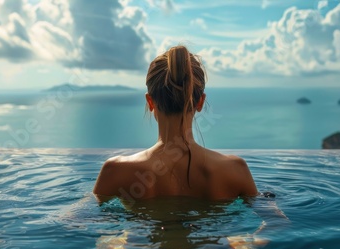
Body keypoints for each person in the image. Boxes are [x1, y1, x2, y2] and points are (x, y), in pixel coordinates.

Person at [93, 45, 258, 202]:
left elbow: (76, 223)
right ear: (200, 102)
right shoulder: (235, 170)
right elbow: (275, 224)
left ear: (150, 102)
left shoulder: (115, 171)